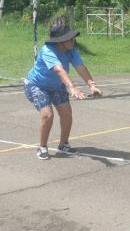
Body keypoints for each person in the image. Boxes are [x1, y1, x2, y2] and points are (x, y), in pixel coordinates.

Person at [24, 24, 102, 160]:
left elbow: (80, 67)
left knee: (66, 113)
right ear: (60, 42)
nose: (73, 42)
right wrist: (72, 86)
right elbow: (59, 70)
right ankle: (42, 146)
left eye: (73, 39)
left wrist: (92, 85)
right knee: (48, 115)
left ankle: (63, 144)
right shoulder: (48, 51)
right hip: (37, 85)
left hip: (57, 85)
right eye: (70, 40)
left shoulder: (71, 51)